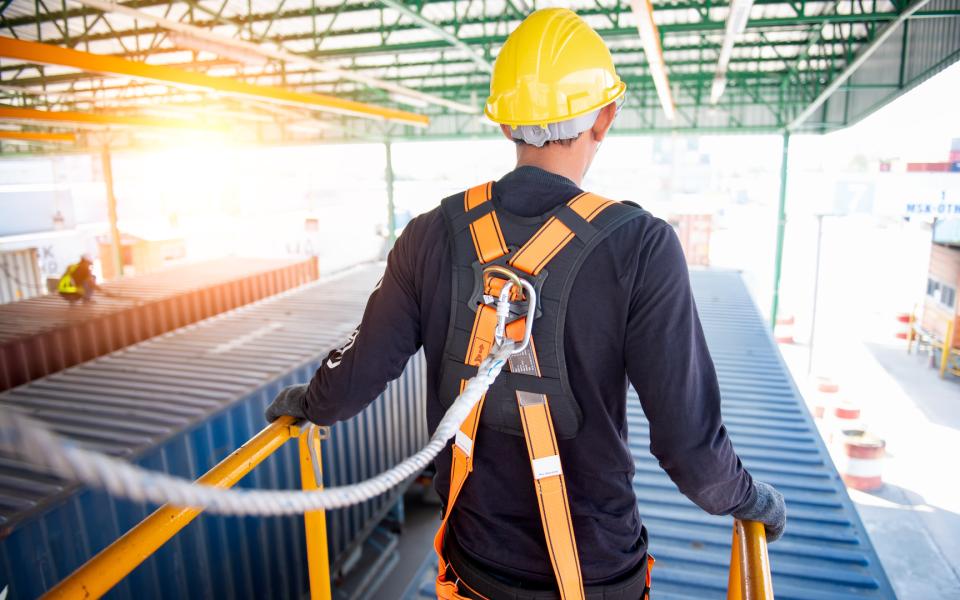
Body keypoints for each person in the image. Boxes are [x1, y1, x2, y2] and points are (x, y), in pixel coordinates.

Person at [266, 8, 785, 599]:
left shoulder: (429, 234)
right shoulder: (641, 246)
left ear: (505, 124)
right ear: (606, 118)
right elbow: (695, 456)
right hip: (595, 574)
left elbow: (351, 382)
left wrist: (306, 401)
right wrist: (752, 500)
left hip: (473, 572)